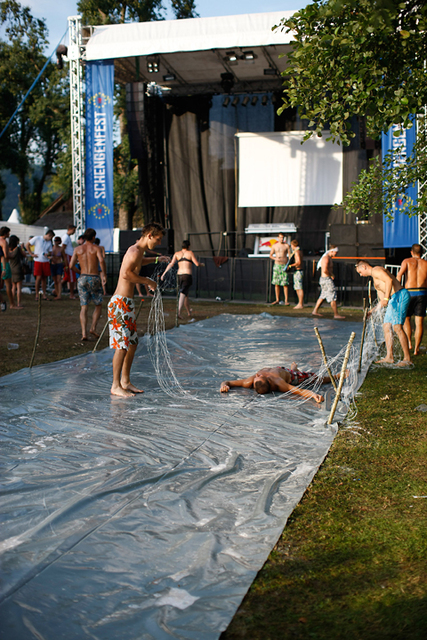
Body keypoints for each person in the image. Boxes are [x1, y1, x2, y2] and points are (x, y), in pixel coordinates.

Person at [108, 222, 169, 397]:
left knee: (132, 344)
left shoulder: (139, 251)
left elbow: (139, 261)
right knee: (122, 346)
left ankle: (125, 381)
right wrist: (148, 281)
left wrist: (157, 259)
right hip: (119, 304)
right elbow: (126, 274)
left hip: (126, 304)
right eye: (157, 239)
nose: (158, 243)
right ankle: (115, 385)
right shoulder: (134, 250)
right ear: (149, 235)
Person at [355, 260, 412, 365]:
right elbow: (382, 301)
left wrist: (386, 298)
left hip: (399, 295)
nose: (360, 275)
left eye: (360, 272)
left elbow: (389, 280)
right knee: (386, 326)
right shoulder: (375, 279)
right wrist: (371, 311)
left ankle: (407, 359)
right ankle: (389, 357)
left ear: (364, 267)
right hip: (393, 299)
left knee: (397, 327)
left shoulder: (376, 270)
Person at [220, 362, 339, 403]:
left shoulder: (252, 380)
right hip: (292, 377)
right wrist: (313, 395)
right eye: (259, 376)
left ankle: (293, 368)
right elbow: (300, 391)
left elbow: (228, 382)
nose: (258, 374)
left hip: (280, 369)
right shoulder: (279, 383)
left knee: (292, 372)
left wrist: (223, 385)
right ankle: (337, 376)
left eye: (258, 376)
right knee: (315, 379)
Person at [69, 228, 107, 341]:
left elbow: (71, 265)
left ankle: (84, 333)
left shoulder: (77, 249)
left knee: (84, 306)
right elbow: (101, 260)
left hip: (82, 278)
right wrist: (104, 274)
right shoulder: (96, 248)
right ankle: (93, 328)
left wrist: (80, 272)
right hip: (94, 277)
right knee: (98, 304)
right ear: (93, 237)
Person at [396, 243, 427, 356]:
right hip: (422, 292)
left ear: (411, 252)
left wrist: (397, 290)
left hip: (409, 292)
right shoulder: (426, 263)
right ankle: (416, 349)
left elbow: (399, 275)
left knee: (407, 319)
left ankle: (409, 343)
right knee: (419, 322)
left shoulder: (407, 261)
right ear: (422, 253)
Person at [161, 239, 203, 319]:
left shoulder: (177, 254)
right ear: (189, 246)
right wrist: (201, 264)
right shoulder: (190, 253)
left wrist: (164, 274)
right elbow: (197, 264)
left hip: (179, 276)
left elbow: (171, 264)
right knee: (183, 293)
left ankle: (188, 312)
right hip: (187, 275)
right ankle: (178, 312)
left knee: (185, 294)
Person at [312, 245, 345, 319]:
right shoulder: (326, 258)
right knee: (332, 295)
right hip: (326, 279)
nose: (336, 254)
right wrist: (331, 274)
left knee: (323, 295)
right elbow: (324, 270)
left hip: (325, 279)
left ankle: (315, 311)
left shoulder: (329, 258)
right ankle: (336, 314)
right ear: (332, 251)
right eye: (336, 252)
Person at [26, 229, 55, 300]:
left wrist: (48, 255)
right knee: (38, 278)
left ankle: (44, 295)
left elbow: (50, 252)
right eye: (50, 237)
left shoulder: (49, 242)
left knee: (44, 279)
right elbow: (27, 244)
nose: (50, 239)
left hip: (45, 261)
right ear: (48, 235)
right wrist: (31, 254)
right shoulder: (37, 238)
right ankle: (37, 294)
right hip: (38, 261)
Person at [269, 232, 290, 305]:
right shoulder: (274, 246)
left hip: (284, 265)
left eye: (283, 237)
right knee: (276, 283)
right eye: (280, 237)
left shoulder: (286, 246)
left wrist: (288, 265)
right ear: (278, 238)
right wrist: (275, 258)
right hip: (277, 265)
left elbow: (289, 256)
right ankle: (277, 299)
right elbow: (270, 255)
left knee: (285, 283)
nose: (281, 239)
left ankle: (286, 300)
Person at [8, 235, 27, 309]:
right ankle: (19, 302)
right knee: (19, 287)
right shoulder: (18, 249)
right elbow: (24, 254)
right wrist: (22, 247)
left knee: (13, 287)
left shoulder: (9, 249)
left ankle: (12, 302)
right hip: (18, 268)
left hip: (11, 268)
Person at [61, 224, 77, 298]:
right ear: (70, 229)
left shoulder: (67, 237)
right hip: (68, 257)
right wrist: (65, 260)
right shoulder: (65, 237)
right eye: (74, 230)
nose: (74, 232)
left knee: (67, 277)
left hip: (69, 256)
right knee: (71, 276)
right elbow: (62, 249)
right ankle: (71, 294)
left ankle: (56, 289)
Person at [0, 226, 14, 309]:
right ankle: (12, 304)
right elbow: (5, 255)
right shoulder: (4, 242)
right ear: (5, 233)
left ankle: (3, 302)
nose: (9, 234)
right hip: (5, 264)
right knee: (8, 285)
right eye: (8, 232)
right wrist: (13, 254)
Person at [288, 239, 304, 309]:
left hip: (298, 271)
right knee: (297, 287)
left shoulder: (297, 252)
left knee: (299, 287)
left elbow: (298, 262)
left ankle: (300, 303)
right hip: (298, 271)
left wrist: (291, 265)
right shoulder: (299, 251)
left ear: (292, 245)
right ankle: (299, 303)